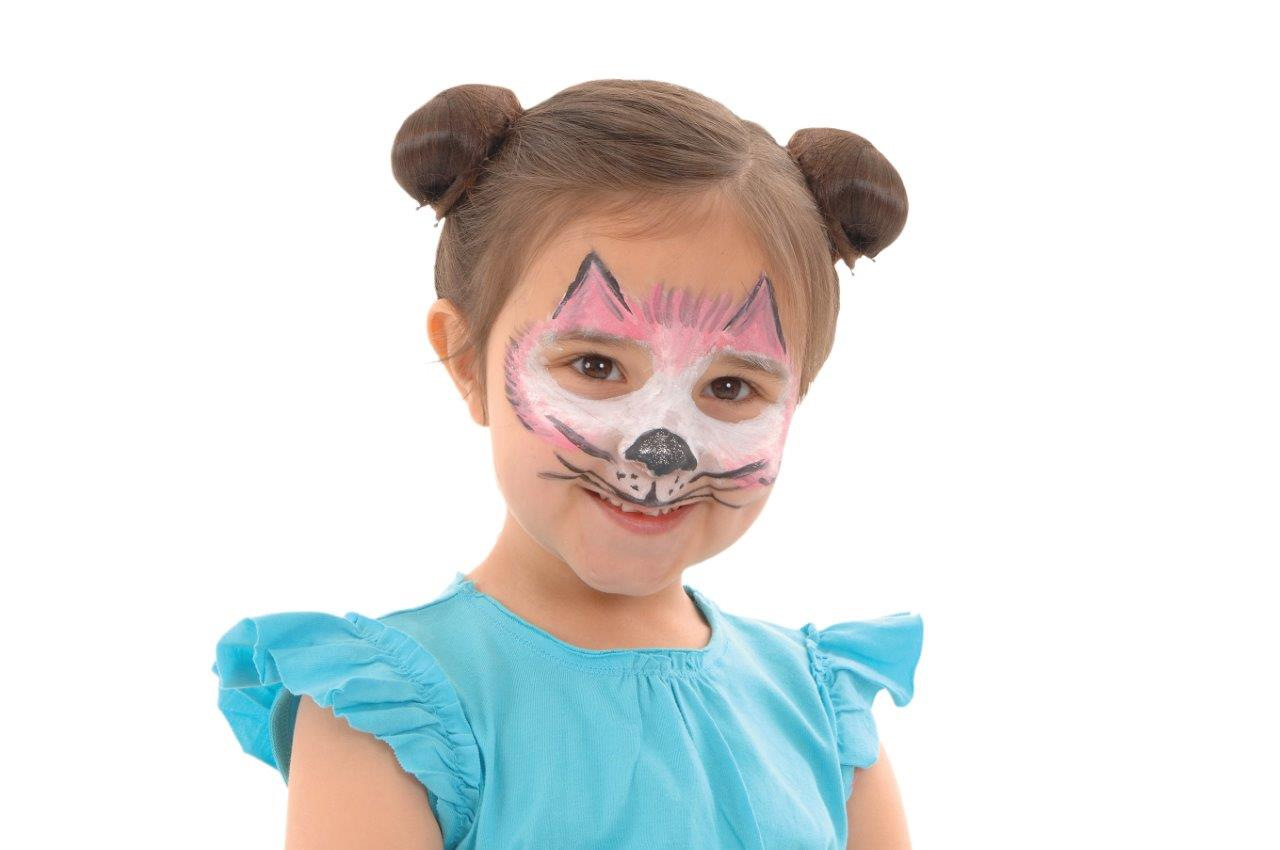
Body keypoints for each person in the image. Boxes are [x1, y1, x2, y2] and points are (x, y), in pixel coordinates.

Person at [211, 79, 923, 850]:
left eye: (730, 387)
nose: (661, 448)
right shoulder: (388, 715)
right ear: (466, 361)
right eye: (595, 367)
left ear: (795, 399)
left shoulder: (822, 714)